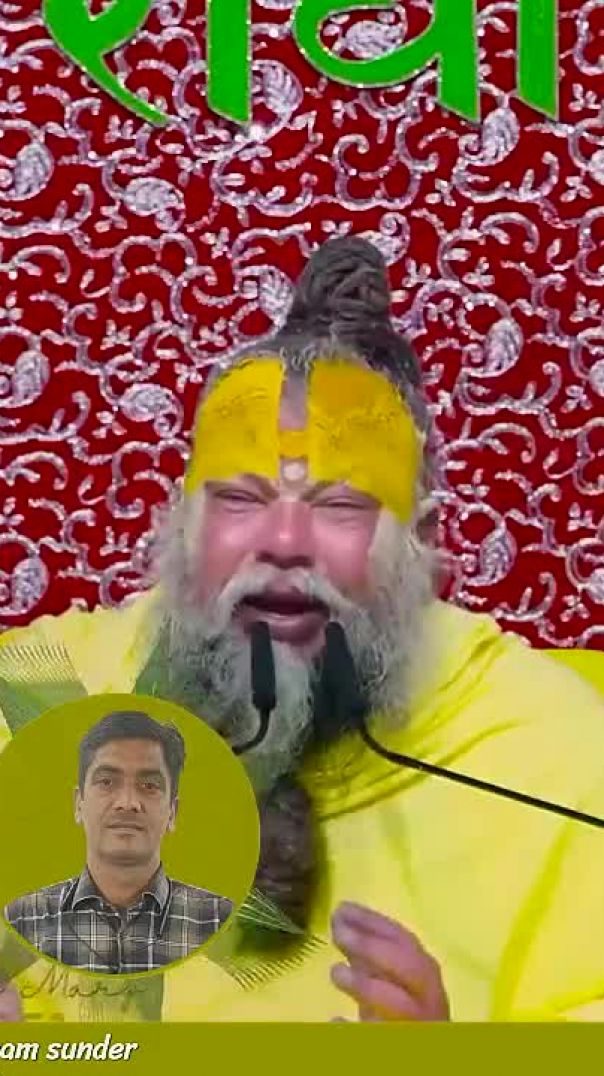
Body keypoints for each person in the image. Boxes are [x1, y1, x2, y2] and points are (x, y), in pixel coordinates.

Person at [0, 236, 603, 1021]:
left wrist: (454, 1064)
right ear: (182, 525)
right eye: (240, 499)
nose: (284, 542)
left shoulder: (554, 756)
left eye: (340, 505)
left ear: (419, 542)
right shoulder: (41, 697)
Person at [3, 711, 233, 973]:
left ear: (173, 812)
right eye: (107, 782)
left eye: (149, 785)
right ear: (78, 804)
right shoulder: (22, 921)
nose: (127, 803)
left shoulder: (220, 923)